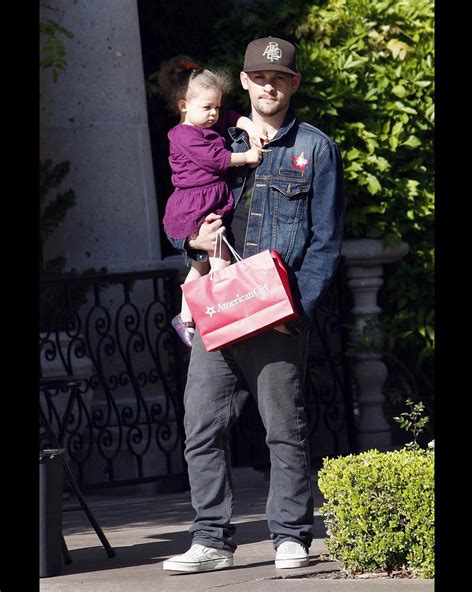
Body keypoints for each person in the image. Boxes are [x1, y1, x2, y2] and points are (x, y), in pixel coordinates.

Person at [163, 37, 345, 572]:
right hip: (220, 302)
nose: (269, 85)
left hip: (277, 310)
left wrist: (301, 309)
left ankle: (291, 535)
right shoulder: (212, 136)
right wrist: (189, 245)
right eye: (259, 77)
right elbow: (182, 204)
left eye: (280, 77)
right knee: (201, 424)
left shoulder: (315, 148)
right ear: (245, 81)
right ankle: (211, 540)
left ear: (293, 84)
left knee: (283, 427)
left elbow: (326, 242)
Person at [157, 56, 267, 347]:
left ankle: (187, 317)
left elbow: (231, 116)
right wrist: (247, 157)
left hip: (208, 203)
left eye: (216, 107)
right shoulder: (183, 134)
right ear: (184, 106)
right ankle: (223, 313)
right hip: (196, 206)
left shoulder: (205, 125)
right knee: (219, 260)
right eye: (207, 107)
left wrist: (248, 125)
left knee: (201, 266)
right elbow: (215, 160)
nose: (214, 114)